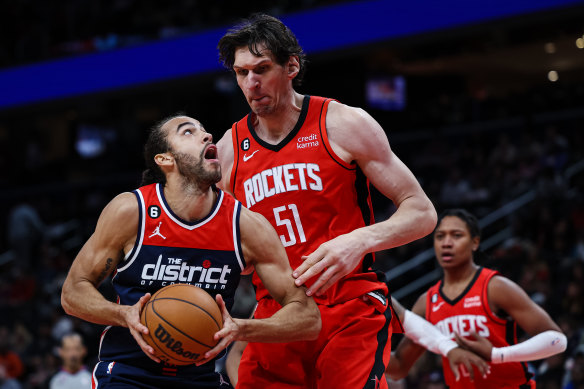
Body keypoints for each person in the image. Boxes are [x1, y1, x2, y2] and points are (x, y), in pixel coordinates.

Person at [216, 13, 437, 388]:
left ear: (291, 66)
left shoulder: (342, 123)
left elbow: (421, 211)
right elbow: (219, 244)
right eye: (241, 73)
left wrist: (360, 240)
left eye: (262, 69)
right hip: (279, 313)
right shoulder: (228, 151)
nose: (251, 83)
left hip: (349, 303)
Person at [61, 115, 320, 388]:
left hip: (201, 376)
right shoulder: (131, 211)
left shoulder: (245, 225)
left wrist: (241, 328)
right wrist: (123, 314)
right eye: (188, 132)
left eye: (206, 131)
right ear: (165, 159)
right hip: (128, 373)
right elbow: (73, 292)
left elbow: (307, 317)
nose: (207, 136)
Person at [386, 208, 568, 388]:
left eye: (456, 235)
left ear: (475, 242)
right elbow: (399, 368)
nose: (446, 243)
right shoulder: (427, 301)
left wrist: (498, 354)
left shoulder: (495, 287)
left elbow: (557, 340)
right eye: (440, 236)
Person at [225, 296, 490, 386]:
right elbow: (236, 354)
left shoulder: (362, 293)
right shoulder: (279, 296)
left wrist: (446, 345)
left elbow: (396, 366)